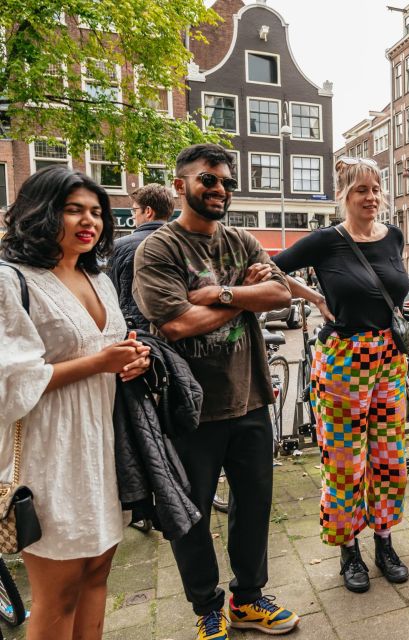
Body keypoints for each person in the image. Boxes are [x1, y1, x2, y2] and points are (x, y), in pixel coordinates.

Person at [132, 144, 298, 640]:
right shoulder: (158, 250)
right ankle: (207, 606)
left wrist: (221, 294)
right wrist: (244, 300)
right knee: (191, 516)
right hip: (189, 411)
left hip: (250, 400)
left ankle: (249, 599)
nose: (220, 189)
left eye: (226, 181)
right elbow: (178, 325)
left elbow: (281, 293)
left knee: (253, 507)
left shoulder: (241, 239)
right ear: (181, 185)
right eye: (209, 180)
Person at [0, 166, 150, 640]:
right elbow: (11, 382)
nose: (90, 222)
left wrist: (133, 359)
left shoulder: (98, 276)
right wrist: (101, 362)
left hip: (101, 448)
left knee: (98, 574)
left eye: (96, 212)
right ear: (42, 213)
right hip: (49, 450)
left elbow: (105, 348)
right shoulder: (12, 280)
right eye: (73, 210)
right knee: (57, 592)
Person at [272, 157, 409, 594]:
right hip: (342, 361)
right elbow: (270, 266)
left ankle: (384, 541)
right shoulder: (325, 241)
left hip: (389, 358)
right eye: (360, 191)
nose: (370, 198)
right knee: (345, 462)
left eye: (375, 189)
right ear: (344, 196)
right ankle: (348, 547)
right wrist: (313, 295)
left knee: (389, 459)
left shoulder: (394, 237)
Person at [108, 183, 175, 331]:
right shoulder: (182, 244)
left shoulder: (119, 246)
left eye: (135, 210)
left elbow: (110, 295)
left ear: (148, 211)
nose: (133, 215)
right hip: (174, 331)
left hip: (136, 335)